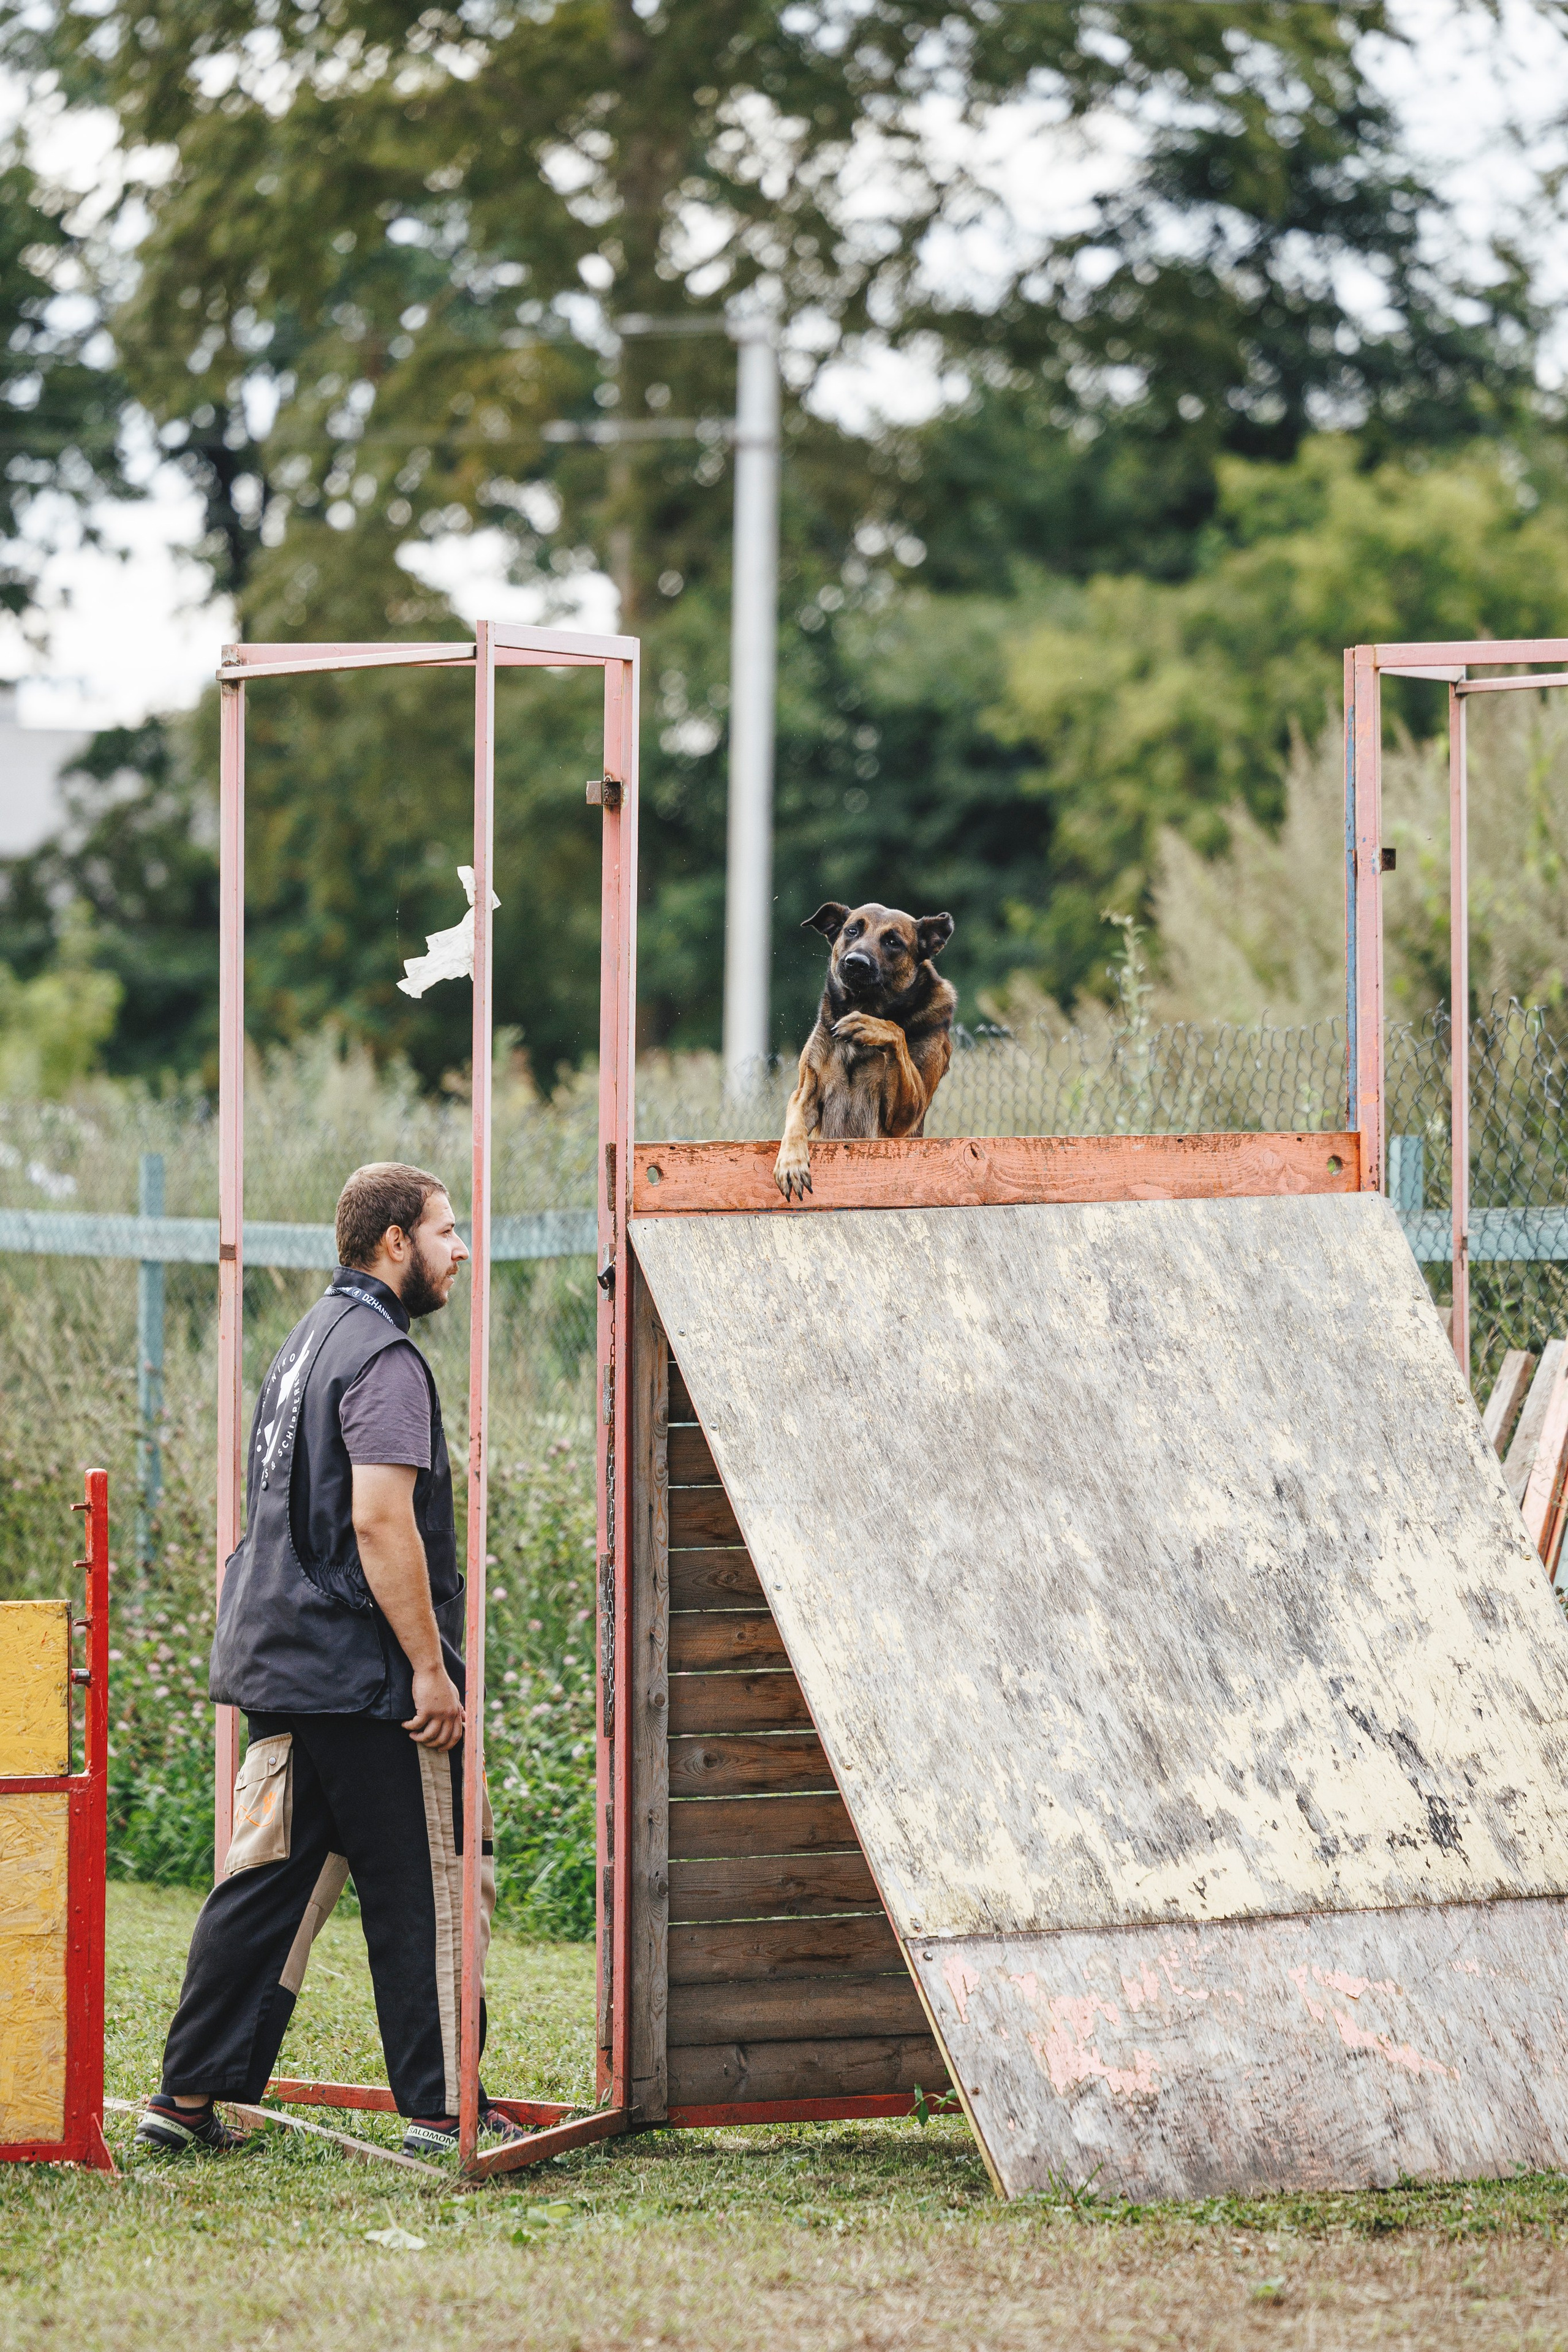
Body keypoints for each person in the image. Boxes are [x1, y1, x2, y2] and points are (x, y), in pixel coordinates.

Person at [135, 1162, 526, 2160]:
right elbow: (378, 1518)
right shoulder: (385, 1357)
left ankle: (185, 2095)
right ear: (395, 1241)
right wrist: (430, 1670)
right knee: (434, 1881)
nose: (460, 1251)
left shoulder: (307, 1340)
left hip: (279, 1661)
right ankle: (447, 2110)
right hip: (361, 1674)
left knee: (266, 1882)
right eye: (446, 1232)